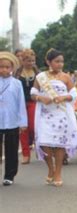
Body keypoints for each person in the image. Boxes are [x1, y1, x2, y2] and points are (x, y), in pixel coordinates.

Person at [31, 49, 77, 187]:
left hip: (61, 115)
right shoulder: (40, 76)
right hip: (45, 114)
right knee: (44, 143)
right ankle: (50, 169)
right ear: (48, 62)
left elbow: (75, 94)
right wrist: (41, 98)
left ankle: (58, 172)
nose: (60, 64)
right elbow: (33, 93)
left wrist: (64, 97)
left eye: (61, 61)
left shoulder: (65, 77)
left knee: (59, 145)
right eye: (57, 61)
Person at [0, 52, 27, 185]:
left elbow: (21, 103)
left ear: (12, 68)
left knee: (11, 148)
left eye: (7, 67)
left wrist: (23, 122)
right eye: (1, 66)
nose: (4, 69)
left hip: (12, 120)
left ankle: (9, 175)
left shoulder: (16, 83)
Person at [15, 49, 39, 164]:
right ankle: (26, 154)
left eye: (33, 60)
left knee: (34, 127)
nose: (31, 63)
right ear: (22, 60)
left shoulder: (39, 73)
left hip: (34, 102)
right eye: (28, 60)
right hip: (20, 104)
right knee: (23, 129)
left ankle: (38, 148)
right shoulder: (17, 73)